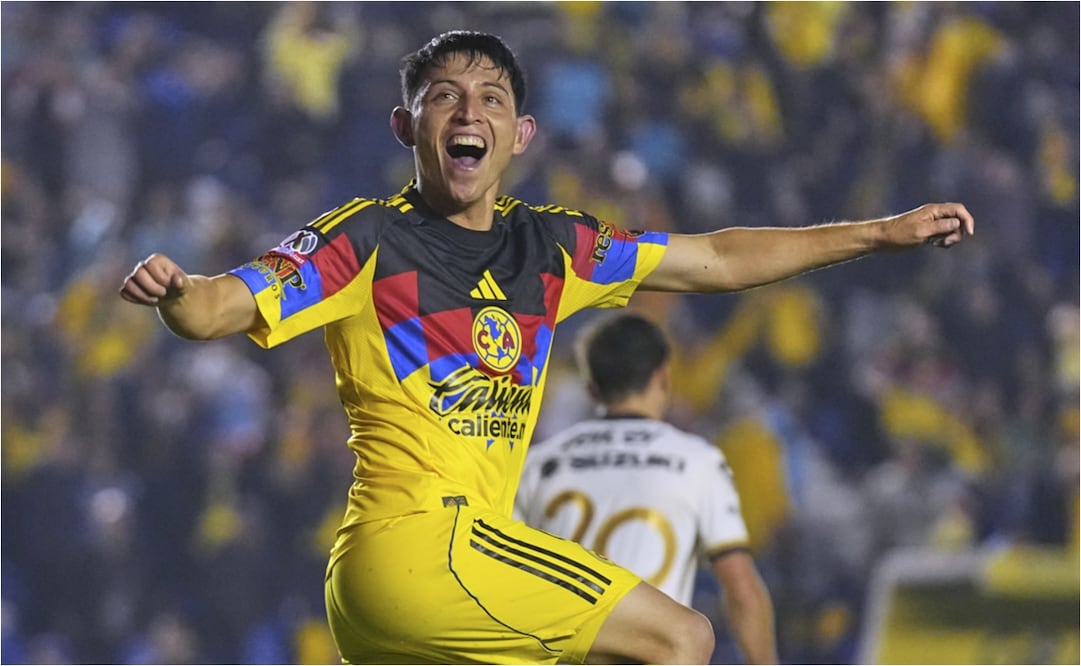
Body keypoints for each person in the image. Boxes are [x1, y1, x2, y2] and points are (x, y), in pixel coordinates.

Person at [119, 30, 974, 665]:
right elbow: (218, 308)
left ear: (520, 134)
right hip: (420, 544)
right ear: (404, 125)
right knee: (679, 637)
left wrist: (875, 232)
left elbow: (713, 257)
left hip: (404, 597)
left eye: (490, 98)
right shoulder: (367, 239)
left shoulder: (555, 248)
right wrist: (178, 293)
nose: (468, 112)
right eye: (445, 96)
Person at [515, 311, 777, 664]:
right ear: (663, 378)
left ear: (592, 388)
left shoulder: (536, 464)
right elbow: (742, 590)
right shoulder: (697, 461)